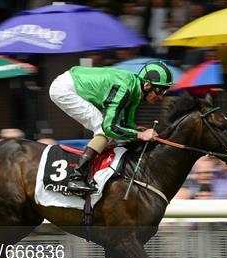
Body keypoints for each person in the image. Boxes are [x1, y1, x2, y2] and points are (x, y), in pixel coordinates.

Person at [49, 61, 174, 193]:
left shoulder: (135, 91)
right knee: (103, 130)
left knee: (112, 132)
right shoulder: (124, 89)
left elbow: (127, 124)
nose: (161, 97)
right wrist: (140, 135)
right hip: (65, 89)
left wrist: (137, 130)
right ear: (147, 85)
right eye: (159, 90)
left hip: (74, 83)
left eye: (165, 91)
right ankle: (77, 176)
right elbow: (109, 127)